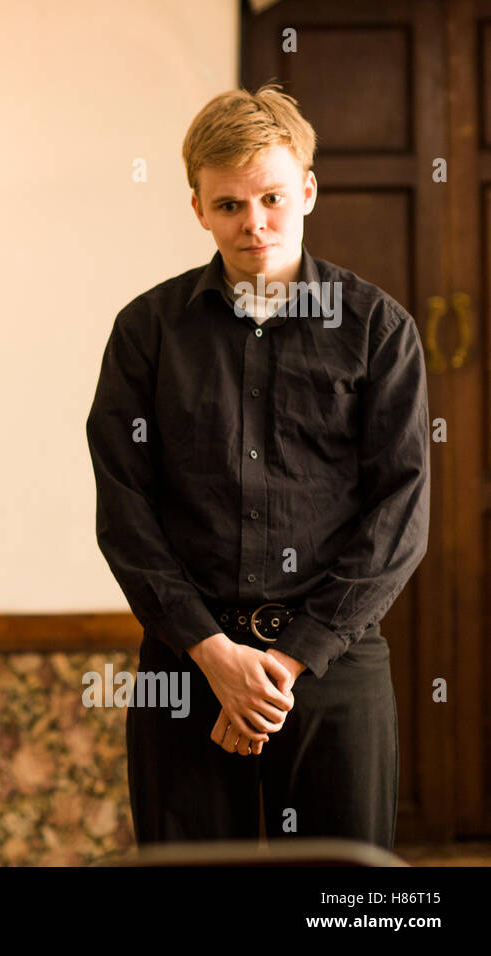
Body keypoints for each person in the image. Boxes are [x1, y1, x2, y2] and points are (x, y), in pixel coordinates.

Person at [86, 85, 429, 848]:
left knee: (346, 906)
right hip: (185, 668)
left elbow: (400, 517)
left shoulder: (378, 328)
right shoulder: (146, 332)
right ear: (198, 208)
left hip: (334, 666)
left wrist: (285, 663)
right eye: (230, 204)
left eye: (272, 197)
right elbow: (124, 511)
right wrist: (213, 655)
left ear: (306, 189)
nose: (255, 223)